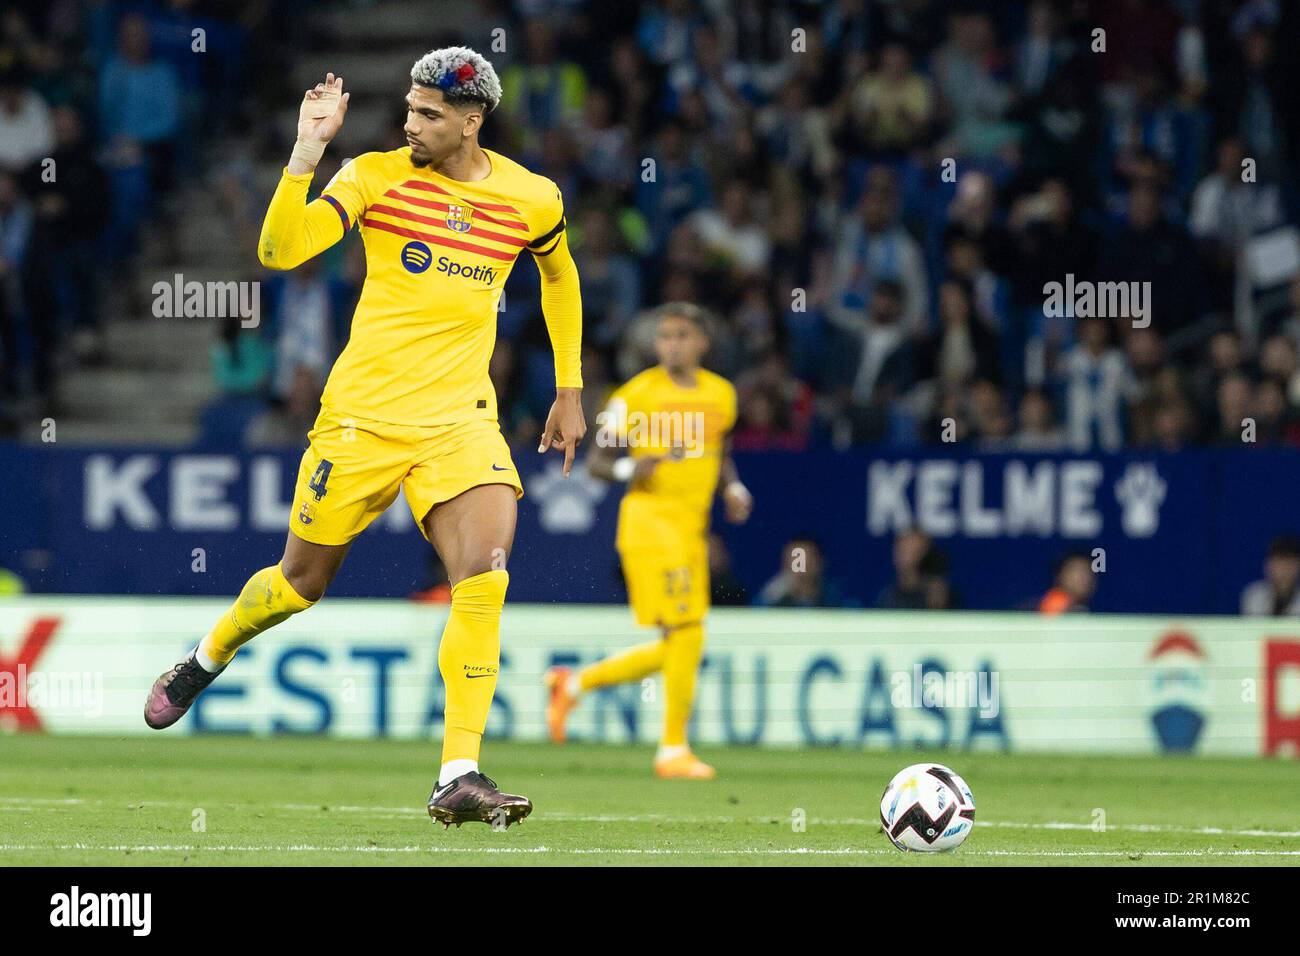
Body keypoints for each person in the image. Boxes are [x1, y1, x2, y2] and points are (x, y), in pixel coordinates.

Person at [143, 49, 586, 830]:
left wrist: (569, 386)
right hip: (360, 421)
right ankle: (207, 656)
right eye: (409, 110)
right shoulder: (376, 176)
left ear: (472, 121)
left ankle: (459, 772)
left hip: (460, 420)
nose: (409, 124)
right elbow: (280, 252)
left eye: (428, 115)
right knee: (299, 585)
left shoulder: (532, 197)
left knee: (484, 574)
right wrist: (307, 153)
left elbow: (560, 276)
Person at [543, 303, 752, 779]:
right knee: (687, 632)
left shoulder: (721, 394)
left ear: (703, 341)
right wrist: (627, 468)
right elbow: (598, 462)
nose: (673, 344)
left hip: (691, 530)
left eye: (682, 335)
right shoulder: (635, 396)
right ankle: (672, 750)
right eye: (665, 336)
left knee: (683, 639)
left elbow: (720, 451)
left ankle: (573, 684)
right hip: (649, 524)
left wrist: (733, 488)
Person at [1240, 536, 1300, 616]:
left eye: (1289, 565)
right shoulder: (1254, 595)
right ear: (1267, 566)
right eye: (1279, 564)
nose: (1284, 571)